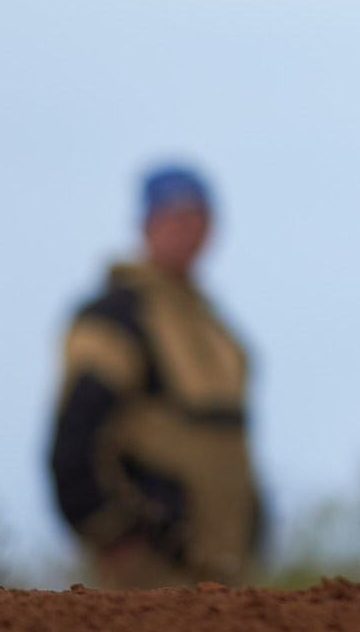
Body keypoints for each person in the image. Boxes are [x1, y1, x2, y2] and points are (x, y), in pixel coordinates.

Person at [48, 161, 262, 586]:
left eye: (200, 217)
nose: (190, 230)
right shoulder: (116, 318)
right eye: (177, 217)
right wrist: (111, 533)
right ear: (147, 224)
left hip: (225, 565)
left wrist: (257, 522)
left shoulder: (216, 329)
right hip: (148, 568)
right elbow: (75, 437)